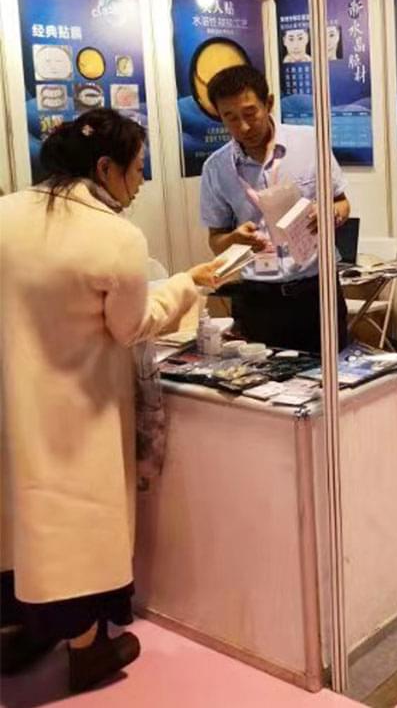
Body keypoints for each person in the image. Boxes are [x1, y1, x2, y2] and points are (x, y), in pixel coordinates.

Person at [0, 110, 220, 691]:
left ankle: (20, 632)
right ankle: (88, 649)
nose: (142, 182)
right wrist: (188, 283)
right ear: (105, 167)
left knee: (19, 520)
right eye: (138, 169)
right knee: (78, 527)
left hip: (14, 401)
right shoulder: (116, 236)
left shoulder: (6, 214)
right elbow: (132, 326)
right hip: (79, 406)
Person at [199, 64, 350, 352]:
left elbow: (342, 203)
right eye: (230, 118)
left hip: (317, 291)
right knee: (263, 379)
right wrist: (235, 239)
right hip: (257, 299)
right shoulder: (216, 168)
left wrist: (330, 213)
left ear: (268, 103)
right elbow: (216, 240)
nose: (243, 127)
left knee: (334, 375)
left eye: (250, 113)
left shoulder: (309, 142)